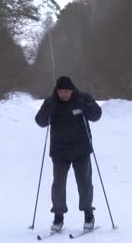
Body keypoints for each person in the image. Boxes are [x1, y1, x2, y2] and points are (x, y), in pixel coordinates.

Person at [35, 75, 102, 232]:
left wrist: (90, 104)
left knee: (84, 184)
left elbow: (97, 116)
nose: (63, 94)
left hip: (81, 149)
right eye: (61, 91)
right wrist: (46, 110)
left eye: (66, 91)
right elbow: (40, 121)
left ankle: (88, 215)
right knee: (58, 185)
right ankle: (58, 217)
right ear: (57, 91)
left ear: (72, 90)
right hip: (59, 150)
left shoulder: (82, 99)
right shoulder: (51, 102)